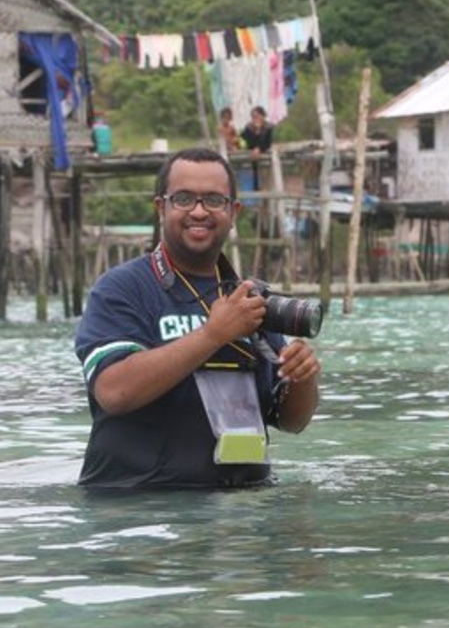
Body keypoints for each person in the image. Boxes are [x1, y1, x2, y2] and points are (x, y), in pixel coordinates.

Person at [75, 146, 320, 491]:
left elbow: (290, 421)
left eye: (214, 200)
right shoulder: (122, 288)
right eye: (184, 199)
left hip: (243, 513)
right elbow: (114, 391)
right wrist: (213, 334)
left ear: (233, 211)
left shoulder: (250, 298)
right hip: (140, 511)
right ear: (161, 207)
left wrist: (303, 379)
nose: (199, 211)